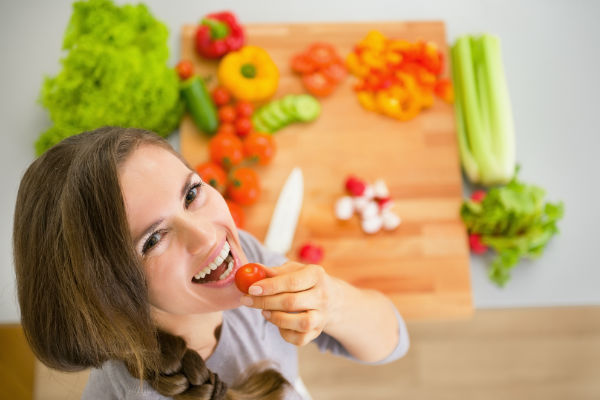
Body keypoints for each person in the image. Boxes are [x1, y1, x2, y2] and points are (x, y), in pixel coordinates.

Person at [13, 126, 409, 399]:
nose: (207, 235)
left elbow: (391, 342)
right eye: (153, 239)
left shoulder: (243, 261)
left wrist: (333, 303)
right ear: (108, 292)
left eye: (191, 195)